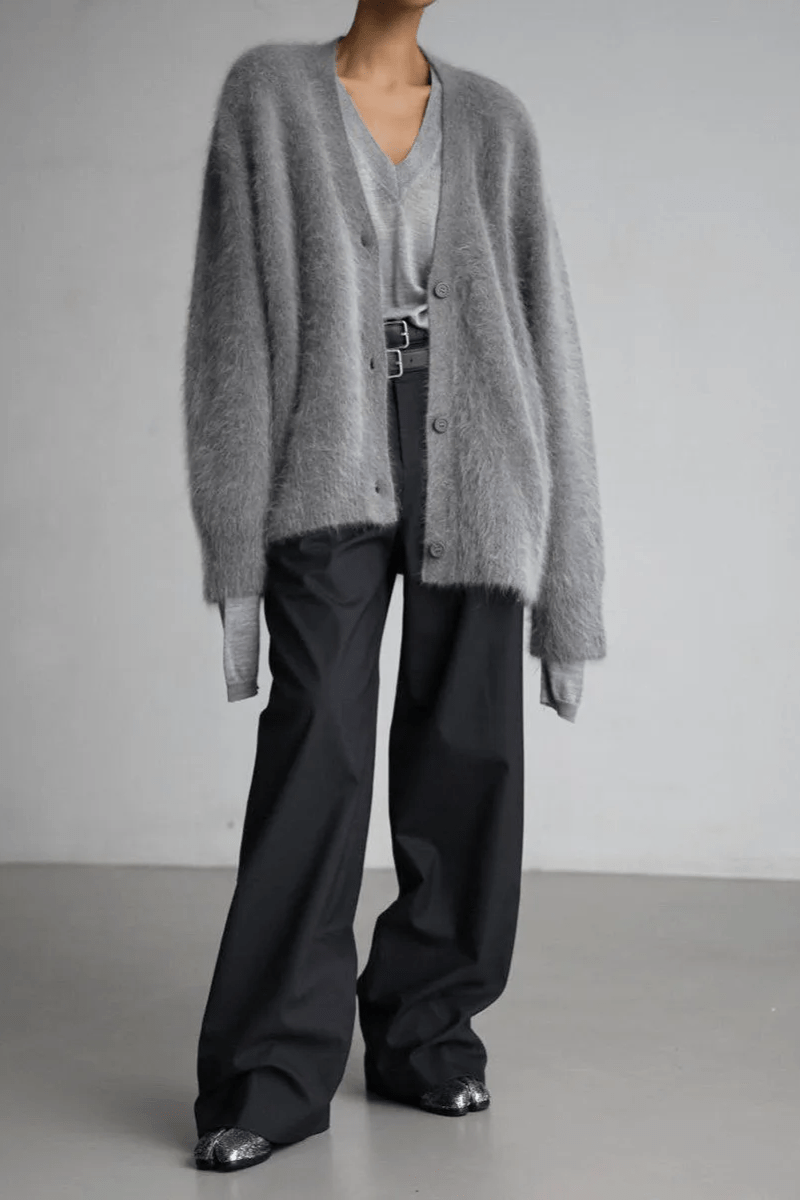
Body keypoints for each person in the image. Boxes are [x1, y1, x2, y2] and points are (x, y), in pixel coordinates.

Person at [183, 0, 607, 1174]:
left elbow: (548, 342)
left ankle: (426, 1033)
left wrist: (569, 597)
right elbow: (229, 332)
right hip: (325, 446)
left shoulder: (495, 122)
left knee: (469, 750)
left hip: (483, 455)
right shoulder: (268, 96)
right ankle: (269, 1073)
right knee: (317, 741)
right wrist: (232, 557)